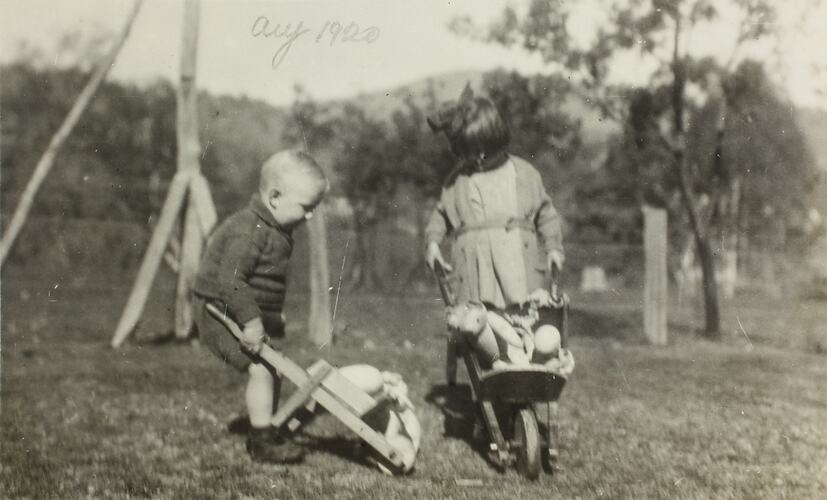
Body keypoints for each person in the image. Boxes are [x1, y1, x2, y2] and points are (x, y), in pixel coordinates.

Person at [192, 150, 328, 464]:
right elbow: (231, 281)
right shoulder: (249, 230)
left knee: (272, 367)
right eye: (306, 208)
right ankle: (262, 439)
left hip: (238, 308)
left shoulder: (275, 229)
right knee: (262, 368)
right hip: (218, 309)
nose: (309, 217)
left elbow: (263, 282)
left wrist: (268, 314)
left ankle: (268, 426)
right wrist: (253, 323)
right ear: (275, 197)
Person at [425, 84, 565, 310]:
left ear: (497, 139)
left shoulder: (524, 174)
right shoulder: (457, 180)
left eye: (484, 151)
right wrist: (432, 244)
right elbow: (440, 215)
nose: (479, 157)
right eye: (471, 152)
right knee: (474, 327)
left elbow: (547, 216)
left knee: (524, 323)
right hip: (474, 274)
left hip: (516, 267)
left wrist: (554, 249)